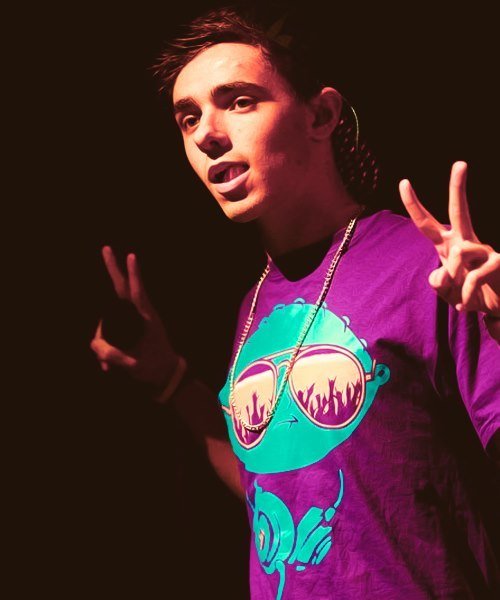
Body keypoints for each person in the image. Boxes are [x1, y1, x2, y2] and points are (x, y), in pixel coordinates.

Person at [90, 6, 500, 599]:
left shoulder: (424, 267)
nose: (205, 134)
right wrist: (172, 381)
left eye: (238, 101)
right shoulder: (256, 301)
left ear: (321, 115)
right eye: (188, 117)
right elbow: (274, 485)